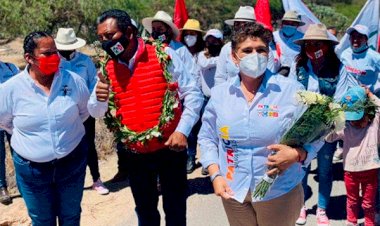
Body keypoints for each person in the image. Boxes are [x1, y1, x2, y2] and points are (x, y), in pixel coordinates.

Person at [199, 22, 321, 226]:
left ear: (269, 53)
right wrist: (215, 174)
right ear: (233, 57)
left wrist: (298, 153)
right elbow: (207, 136)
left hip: (278, 191)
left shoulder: (290, 90)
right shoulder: (220, 94)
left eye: (261, 50)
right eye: (247, 50)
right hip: (234, 190)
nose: (255, 55)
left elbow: (317, 133)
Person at [88, 9, 203, 226]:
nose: (105, 42)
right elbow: (95, 112)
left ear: (129, 32)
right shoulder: (107, 68)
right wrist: (99, 97)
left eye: (110, 36)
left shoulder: (165, 55)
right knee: (145, 210)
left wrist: (182, 130)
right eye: (101, 37)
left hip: (171, 148)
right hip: (136, 153)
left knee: (175, 208)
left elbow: (193, 94)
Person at [0, 31, 90, 225]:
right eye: (47, 53)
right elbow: (5, 123)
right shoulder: (11, 89)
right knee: (42, 220)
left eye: (55, 52)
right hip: (33, 171)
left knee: (71, 217)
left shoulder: (73, 81)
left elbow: (83, 113)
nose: (54, 58)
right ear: (29, 58)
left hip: (71, 164)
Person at [289, 24, 350, 226]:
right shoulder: (298, 66)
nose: (312, 46)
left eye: (317, 43)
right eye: (308, 43)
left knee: (324, 170)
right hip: (302, 129)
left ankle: (322, 209)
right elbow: (290, 95)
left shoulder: (338, 68)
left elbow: (340, 100)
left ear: (327, 46)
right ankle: (301, 207)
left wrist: (322, 107)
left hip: (326, 129)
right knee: (301, 170)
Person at [55, 27, 109, 195]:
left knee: (88, 145)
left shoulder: (84, 61)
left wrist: (96, 104)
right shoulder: (54, 62)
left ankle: (96, 179)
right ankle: (68, 183)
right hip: (63, 112)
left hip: (85, 111)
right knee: (65, 147)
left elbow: (93, 84)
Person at [326, 86, 380, 226]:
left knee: (368, 203)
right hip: (351, 173)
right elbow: (328, 137)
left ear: (367, 110)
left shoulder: (374, 125)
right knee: (352, 200)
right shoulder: (345, 127)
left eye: (358, 116)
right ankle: (351, 222)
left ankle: (370, 223)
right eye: (350, 118)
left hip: (371, 170)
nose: (354, 121)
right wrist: (332, 116)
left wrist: (370, 95)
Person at [214, 6, 280, 86]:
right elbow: (220, 78)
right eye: (237, 24)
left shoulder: (264, 50)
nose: (241, 28)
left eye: (245, 24)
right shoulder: (226, 49)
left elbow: (269, 76)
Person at [179, 18, 205, 173]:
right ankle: (190, 157)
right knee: (191, 128)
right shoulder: (180, 51)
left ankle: (207, 159)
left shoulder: (205, 52)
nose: (189, 37)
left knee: (206, 128)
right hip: (187, 96)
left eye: (193, 34)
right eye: (187, 34)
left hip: (205, 95)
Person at [340, 24, 380, 96]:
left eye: (359, 37)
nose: (355, 39)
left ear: (366, 39)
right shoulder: (344, 54)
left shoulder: (375, 57)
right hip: (348, 95)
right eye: (353, 36)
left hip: (369, 97)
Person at [0, 60, 19, 205]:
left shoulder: (10, 67)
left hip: (13, 120)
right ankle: (2, 189)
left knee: (19, 153)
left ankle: (24, 185)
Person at [273, 10, 305, 76]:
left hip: (296, 71)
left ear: (297, 25)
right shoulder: (274, 36)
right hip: (275, 69)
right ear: (282, 24)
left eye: (293, 24)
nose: (289, 25)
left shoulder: (303, 38)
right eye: (287, 23)